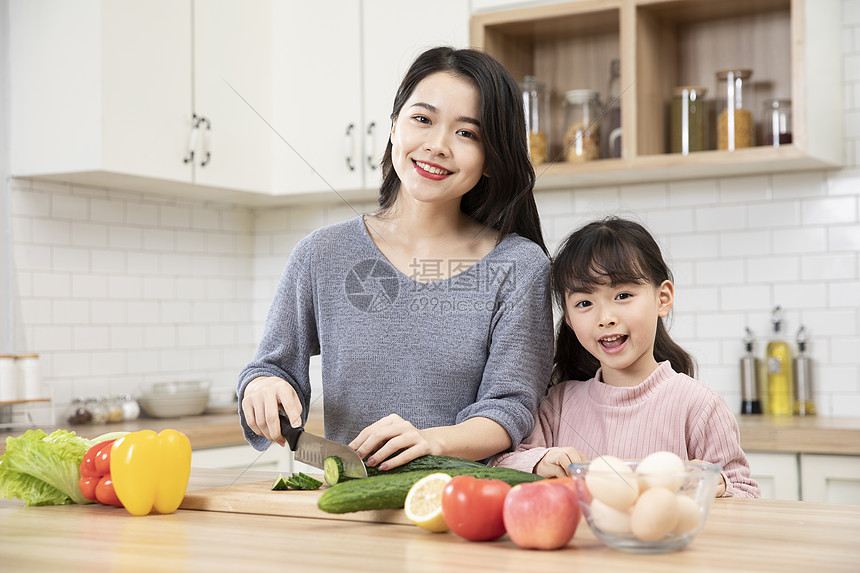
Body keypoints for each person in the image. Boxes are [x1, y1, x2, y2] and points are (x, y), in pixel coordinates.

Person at [238, 46, 554, 470]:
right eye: (422, 119)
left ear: (492, 159)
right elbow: (272, 367)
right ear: (392, 128)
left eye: (467, 133)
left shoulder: (519, 266)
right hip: (350, 505)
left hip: (462, 508)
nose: (437, 145)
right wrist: (262, 385)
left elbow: (510, 408)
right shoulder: (322, 255)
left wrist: (429, 442)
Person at [492, 217, 760, 498]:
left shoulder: (699, 406)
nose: (605, 318)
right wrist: (537, 463)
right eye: (585, 303)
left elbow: (746, 492)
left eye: (622, 295)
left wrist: (716, 485)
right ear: (569, 319)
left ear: (662, 298)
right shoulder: (557, 404)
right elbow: (500, 464)